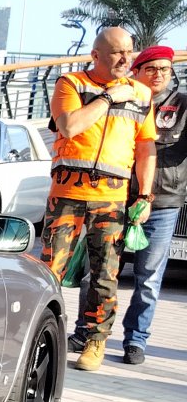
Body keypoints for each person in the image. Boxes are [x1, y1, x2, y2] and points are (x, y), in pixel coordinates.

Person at [42, 26, 156, 371]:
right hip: (67, 196)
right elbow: (69, 126)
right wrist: (108, 99)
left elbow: (146, 148)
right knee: (50, 271)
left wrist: (146, 195)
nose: (126, 59)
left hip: (112, 198)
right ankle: (41, 331)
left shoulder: (141, 94)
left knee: (106, 273)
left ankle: (96, 341)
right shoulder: (72, 84)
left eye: (129, 52)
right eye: (117, 52)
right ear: (96, 55)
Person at [69, 45, 183, 365]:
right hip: (113, 196)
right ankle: (86, 331)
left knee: (148, 277)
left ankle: (136, 339)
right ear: (136, 71)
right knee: (97, 270)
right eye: (151, 68)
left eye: (164, 69)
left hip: (162, 204)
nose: (158, 74)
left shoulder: (183, 107)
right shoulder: (120, 97)